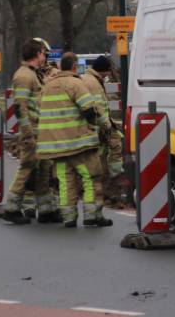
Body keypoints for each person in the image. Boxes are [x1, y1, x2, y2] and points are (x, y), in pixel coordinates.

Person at [36, 52, 112, 227]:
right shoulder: (76, 83)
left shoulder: (47, 86)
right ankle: (92, 215)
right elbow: (90, 109)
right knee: (90, 177)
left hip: (56, 147)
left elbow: (40, 110)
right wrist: (105, 126)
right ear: (75, 66)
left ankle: (69, 217)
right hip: (79, 144)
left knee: (65, 181)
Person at [2, 40, 62, 225]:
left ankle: (46, 210)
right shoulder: (24, 76)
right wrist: (27, 133)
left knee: (44, 169)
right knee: (27, 167)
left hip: (40, 131)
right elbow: (20, 107)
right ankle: (11, 208)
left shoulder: (33, 74)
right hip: (32, 132)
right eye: (43, 53)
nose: (45, 57)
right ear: (37, 54)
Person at [80, 56, 126, 195]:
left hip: (88, 127)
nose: (108, 75)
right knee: (114, 144)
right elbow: (99, 108)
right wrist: (109, 128)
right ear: (102, 71)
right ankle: (116, 180)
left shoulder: (87, 79)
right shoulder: (94, 83)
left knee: (97, 154)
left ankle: (103, 183)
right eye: (107, 72)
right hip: (97, 126)